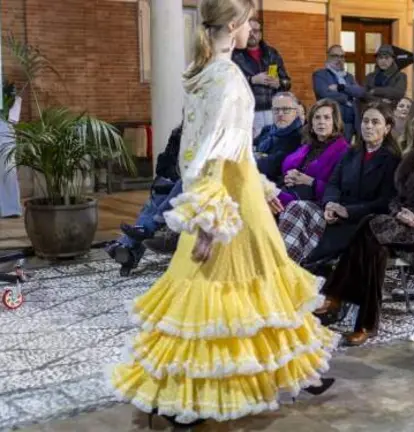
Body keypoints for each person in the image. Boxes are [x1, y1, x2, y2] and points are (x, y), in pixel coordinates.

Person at [107, 1, 337, 426]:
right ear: (233, 25)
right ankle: (195, 395)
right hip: (227, 200)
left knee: (256, 285)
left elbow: (214, 152)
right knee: (226, 293)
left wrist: (261, 188)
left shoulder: (205, 71)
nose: (253, 29)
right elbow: (211, 155)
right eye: (249, 21)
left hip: (232, 193)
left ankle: (293, 369)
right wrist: (212, 220)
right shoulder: (228, 77)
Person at [315, 111, 414, 346]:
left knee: (371, 224)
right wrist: (400, 212)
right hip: (401, 225)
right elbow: (395, 198)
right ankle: (366, 325)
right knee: (374, 248)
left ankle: (336, 296)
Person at [292, 102, 401, 268]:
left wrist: (347, 211)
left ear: (387, 128)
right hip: (335, 211)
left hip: (360, 221)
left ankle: (293, 269)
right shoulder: (351, 153)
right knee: (296, 207)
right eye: (365, 121)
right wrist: (329, 204)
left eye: (375, 122)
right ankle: (283, 264)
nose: (368, 126)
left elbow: (385, 202)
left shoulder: (392, 160)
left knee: (309, 235)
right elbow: (333, 184)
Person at [107, 125, 183, 276]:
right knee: (159, 193)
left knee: (182, 183)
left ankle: (128, 246)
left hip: (192, 185)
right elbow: (164, 164)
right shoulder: (179, 132)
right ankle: (130, 247)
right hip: (173, 182)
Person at [273, 99, 349, 211]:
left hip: (316, 203)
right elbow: (289, 169)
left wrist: (309, 181)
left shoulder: (344, 151)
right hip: (293, 193)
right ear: (312, 123)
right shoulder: (307, 146)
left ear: (335, 122)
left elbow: (340, 191)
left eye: (327, 118)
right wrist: (291, 176)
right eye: (317, 117)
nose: (321, 122)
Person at [232, 18, 291, 139]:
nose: (252, 34)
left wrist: (279, 83)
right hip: (248, 112)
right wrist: (252, 80)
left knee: (273, 144)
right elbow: (230, 84)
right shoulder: (235, 55)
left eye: (255, 31)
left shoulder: (271, 53)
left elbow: (287, 82)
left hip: (273, 110)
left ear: (260, 34)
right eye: (249, 31)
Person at [312, 45, 366, 141]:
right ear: (328, 57)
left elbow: (360, 92)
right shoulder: (320, 75)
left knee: (346, 153)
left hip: (350, 123)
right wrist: (348, 97)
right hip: (331, 123)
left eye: (342, 56)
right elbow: (324, 94)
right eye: (335, 56)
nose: (339, 59)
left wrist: (341, 87)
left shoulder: (349, 77)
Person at [253, 92, 303, 182]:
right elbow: (247, 148)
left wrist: (255, 156)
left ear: (295, 112)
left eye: (286, 109)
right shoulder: (267, 130)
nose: (280, 114)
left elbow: (273, 166)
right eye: (276, 110)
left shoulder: (300, 136)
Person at [363, 45, 407, 109]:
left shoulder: (400, 76)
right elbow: (364, 94)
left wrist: (375, 90)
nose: (383, 61)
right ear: (377, 60)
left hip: (392, 111)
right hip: (372, 111)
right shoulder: (370, 77)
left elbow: (398, 93)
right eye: (380, 58)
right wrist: (380, 101)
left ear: (392, 59)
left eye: (387, 58)